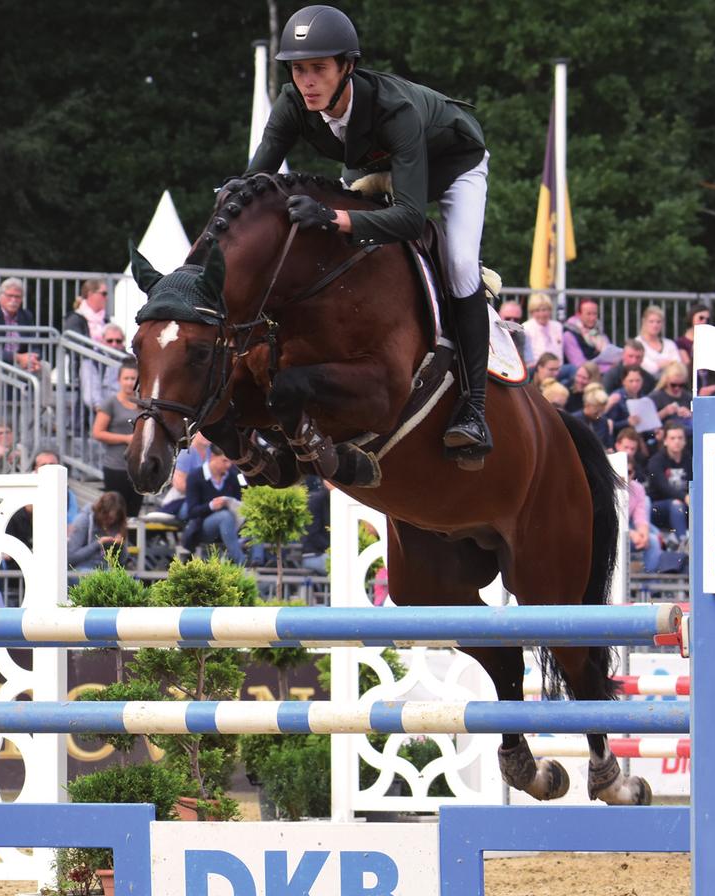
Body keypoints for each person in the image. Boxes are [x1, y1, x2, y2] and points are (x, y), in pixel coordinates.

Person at [246, 5, 492, 459]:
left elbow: (411, 218)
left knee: (459, 265)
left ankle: (474, 409)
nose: (308, 82)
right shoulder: (292, 103)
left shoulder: (394, 110)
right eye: (299, 70)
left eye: (319, 69)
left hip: (452, 166)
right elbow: (253, 184)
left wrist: (334, 217)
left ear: (348, 67)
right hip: (379, 165)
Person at [181, 446, 249, 566]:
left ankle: (258, 560)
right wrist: (211, 506)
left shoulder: (232, 476)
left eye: (230, 462)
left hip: (232, 526)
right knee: (225, 516)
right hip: (203, 527)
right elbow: (191, 512)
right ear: (213, 457)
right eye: (224, 461)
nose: (228, 465)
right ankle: (241, 561)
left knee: (253, 517)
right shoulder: (195, 476)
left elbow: (239, 501)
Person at [92, 358, 142, 518]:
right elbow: (98, 432)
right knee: (114, 513)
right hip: (116, 467)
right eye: (126, 378)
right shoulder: (110, 403)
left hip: (138, 468)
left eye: (133, 378)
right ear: (119, 380)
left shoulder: (143, 403)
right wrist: (126, 439)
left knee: (134, 514)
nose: (129, 382)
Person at [0, 277, 39, 372]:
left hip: (21, 360)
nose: (13, 300)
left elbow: (36, 343)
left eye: (17, 297)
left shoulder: (26, 316)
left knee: (44, 366)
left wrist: (33, 358)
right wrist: (16, 357)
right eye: (10, 296)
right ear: (0, 297)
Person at [646, 421, 692, 543]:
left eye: (680, 438)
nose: (676, 441)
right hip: (658, 506)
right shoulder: (656, 461)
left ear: (685, 441)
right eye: (672, 438)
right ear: (665, 441)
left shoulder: (689, 459)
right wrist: (685, 497)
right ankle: (683, 543)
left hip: (684, 504)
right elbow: (663, 486)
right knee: (676, 504)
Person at [67, 491, 129, 572]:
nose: (110, 522)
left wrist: (120, 547)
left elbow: (121, 564)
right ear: (100, 511)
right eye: (108, 518)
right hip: (81, 570)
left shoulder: (118, 525)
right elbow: (70, 558)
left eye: (113, 519)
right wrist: (98, 543)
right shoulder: (83, 520)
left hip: (106, 570)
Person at [158, 431, 212, 519]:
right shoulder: (186, 452)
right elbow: (179, 484)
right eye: (201, 432)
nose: (205, 435)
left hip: (206, 499)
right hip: (183, 499)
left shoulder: (212, 451)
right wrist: (206, 492)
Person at [80, 321, 125, 415]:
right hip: (102, 413)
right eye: (110, 341)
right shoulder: (92, 360)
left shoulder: (131, 360)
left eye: (118, 341)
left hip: (128, 411)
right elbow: (91, 393)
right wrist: (105, 411)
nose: (114, 345)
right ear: (102, 341)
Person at [562, 298, 619, 369]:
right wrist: (608, 368)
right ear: (578, 315)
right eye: (588, 314)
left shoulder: (599, 332)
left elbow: (610, 355)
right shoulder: (569, 335)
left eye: (595, 314)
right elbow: (579, 364)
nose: (592, 318)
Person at [635, 305, 680, 376]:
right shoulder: (637, 343)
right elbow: (649, 368)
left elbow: (678, 365)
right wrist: (664, 364)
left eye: (658, 322)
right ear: (644, 322)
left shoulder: (669, 343)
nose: (655, 325)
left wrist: (659, 365)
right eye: (651, 321)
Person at [522, 292, 564, 368]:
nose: (541, 314)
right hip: (536, 368)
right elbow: (528, 357)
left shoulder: (558, 326)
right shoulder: (526, 327)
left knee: (572, 369)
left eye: (544, 310)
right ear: (532, 312)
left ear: (550, 310)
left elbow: (559, 352)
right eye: (537, 310)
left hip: (557, 368)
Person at [648, 363, 693, 432]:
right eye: (673, 385)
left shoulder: (688, 397)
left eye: (681, 385)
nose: (677, 388)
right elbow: (646, 422)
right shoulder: (655, 397)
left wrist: (690, 415)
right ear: (666, 380)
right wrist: (664, 412)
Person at [675, 303, 710, 367]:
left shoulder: (710, 341)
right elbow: (687, 366)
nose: (704, 321)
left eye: (707, 319)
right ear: (692, 317)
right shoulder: (681, 342)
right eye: (701, 318)